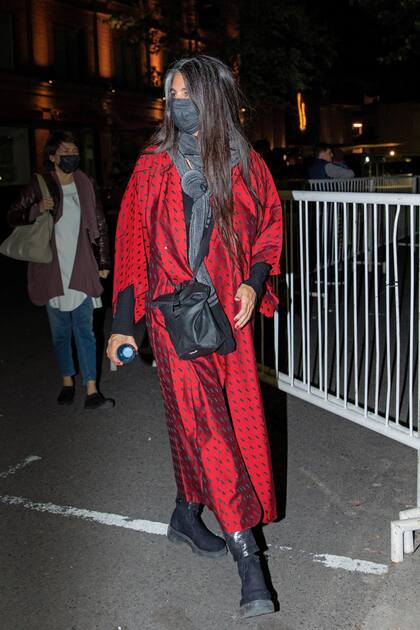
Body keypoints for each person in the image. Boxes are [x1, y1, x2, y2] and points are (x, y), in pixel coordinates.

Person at [107, 55, 283, 619]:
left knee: (219, 420)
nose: (178, 105)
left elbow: (269, 231)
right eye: (171, 95)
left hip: (229, 316)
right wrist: (120, 325)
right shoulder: (153, 166)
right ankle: (248, 559)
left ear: (212, 99)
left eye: (187, 94)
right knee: (208, 428)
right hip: (172, 317)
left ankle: (187, 512)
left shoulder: (246, 164)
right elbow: (131, 247)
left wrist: (256, 284)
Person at [7, 131, 114, 410]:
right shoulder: (40, 184)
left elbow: (100, 225)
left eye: (74, 150)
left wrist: (103, 262)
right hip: (50, 270)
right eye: (65, 151)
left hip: (82, 269)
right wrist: (35, 210)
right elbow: (12, 216)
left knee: (86, 331)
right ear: (53, 156)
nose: (72, 155)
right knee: (60, 334)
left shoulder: (86, 184)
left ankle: (92, 389)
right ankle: (67, 381)